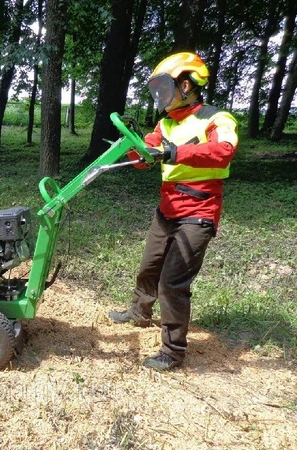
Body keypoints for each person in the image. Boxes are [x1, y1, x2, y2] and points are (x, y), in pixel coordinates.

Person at [109, 52, 239, 370]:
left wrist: (175, 151)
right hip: (167, 208)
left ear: (185, 85)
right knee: (149, 266)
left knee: (172, 283)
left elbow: (223, 151)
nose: (160, 97)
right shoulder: (165, 123)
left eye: (164, 89)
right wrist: (137, 148)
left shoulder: (216, 118)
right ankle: (139, 312)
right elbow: (146, 153)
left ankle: (173, 351)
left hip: (199, 211)